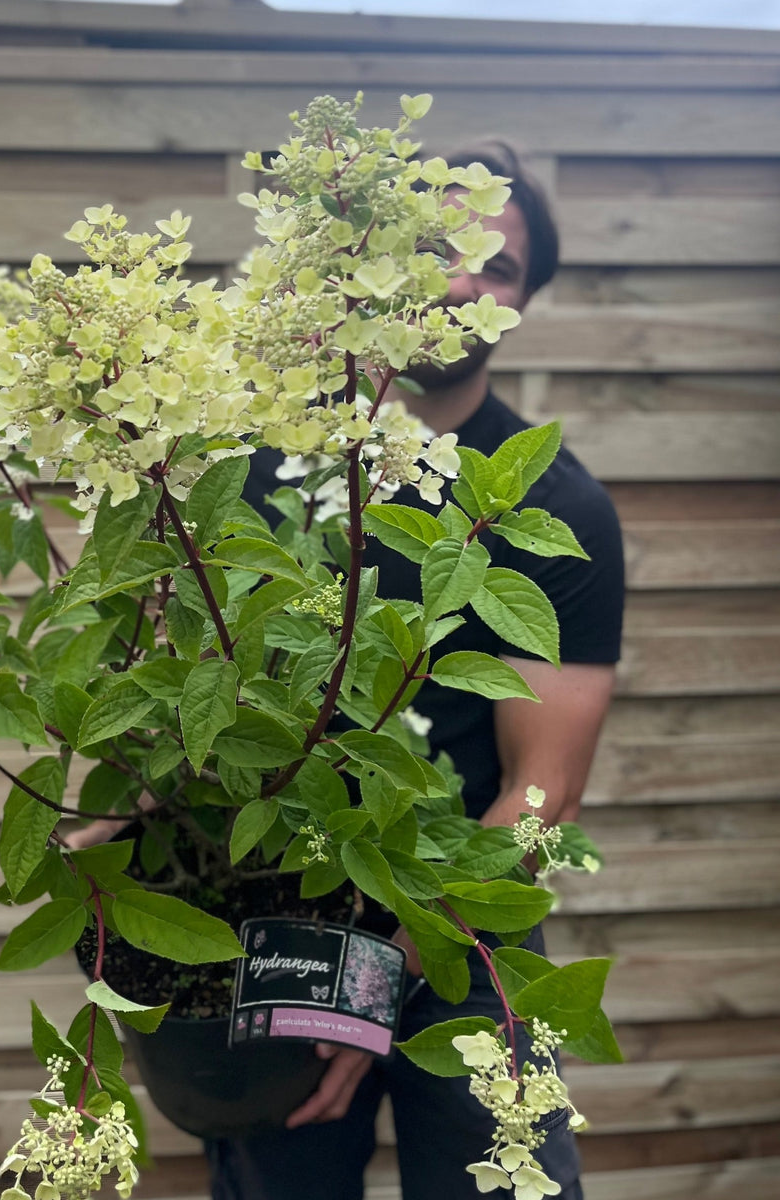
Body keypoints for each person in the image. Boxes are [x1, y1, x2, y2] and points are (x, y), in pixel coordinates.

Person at [208, 142, 625, 1200]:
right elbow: (201, 692)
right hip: (282, 911)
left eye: (499, 266)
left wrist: (390, 968)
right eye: (437, 249)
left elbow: (545, 789)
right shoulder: (262, 472)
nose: (461, 282)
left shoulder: (554, 510)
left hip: (464, 911)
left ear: (522, 301)